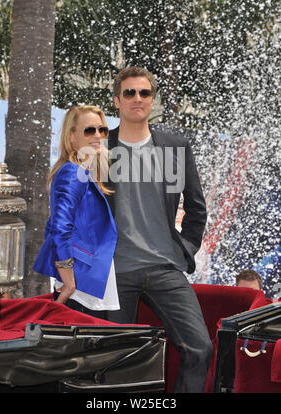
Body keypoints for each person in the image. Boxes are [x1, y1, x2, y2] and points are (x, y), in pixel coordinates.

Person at [105, 66, 213, 393]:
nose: (138, 99)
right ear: (116, 101)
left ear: (152, 100)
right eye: (130, 93)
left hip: (165, 267)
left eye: (145, 93)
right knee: (114, 360)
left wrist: (187, 249)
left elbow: (196, 207)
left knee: (200, 348)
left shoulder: (175, 147)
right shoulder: (98, 147)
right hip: (115, 271)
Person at [33, 105, 119, 319]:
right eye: (89, 130)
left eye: (102, 130)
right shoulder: (73, 172)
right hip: (81, 288)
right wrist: (69, 281)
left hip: (87, 284)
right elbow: (59, 229)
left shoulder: (83, 172)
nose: (98, 136)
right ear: (71, 137)